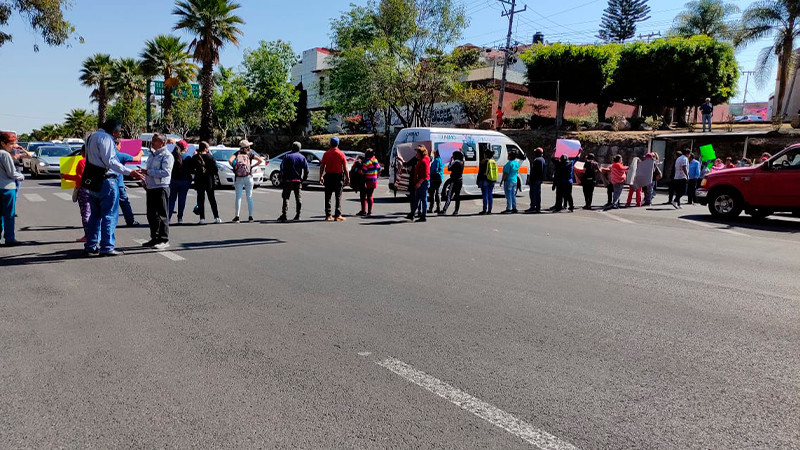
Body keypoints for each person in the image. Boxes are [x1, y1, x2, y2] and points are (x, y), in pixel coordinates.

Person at [82, 120, 142, 257]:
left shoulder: (92, 136)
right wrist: (129, 172)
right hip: (106, 180)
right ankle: (107, 247)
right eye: (119, 131)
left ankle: (90, 245)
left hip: (93, 180)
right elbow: (110, 161)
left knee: (95, 215)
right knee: (109, 215)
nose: (119, 134)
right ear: (113, 130)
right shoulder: (106, 138)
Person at [140, 134, 174, 249]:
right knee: (151, 214)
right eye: (153, 140)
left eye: (155, 141)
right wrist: (144, 179)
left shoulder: (167, 156)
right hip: (151, 187)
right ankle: (154, 237)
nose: (153, 143)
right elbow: (148, 170)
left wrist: (148, 172)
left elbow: (165, 172)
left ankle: (163, 239)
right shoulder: (152, 155)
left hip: (161, 187)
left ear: (163, 143)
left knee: (162, 214)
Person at [60, 145, 90, 241]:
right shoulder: (98, 161)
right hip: (96, 189)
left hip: (83, 189)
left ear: (82, 152)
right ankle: (95, 234)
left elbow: (80, 177)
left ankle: (88, 235)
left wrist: (66, 176)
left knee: (85, 213)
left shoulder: (82, 162)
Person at [229, 139, 263, 223]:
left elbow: (230, 160)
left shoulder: (237, 154)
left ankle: (237, 217)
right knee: (249, 197)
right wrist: (252, 166)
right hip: (248, 177)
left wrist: (235, 167)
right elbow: (260, 160)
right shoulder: (250, 154)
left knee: (238, 197)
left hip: (239, 177)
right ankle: (250, 217)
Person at [0, 131, 25, 246]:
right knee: (9, 214)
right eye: (10, 144)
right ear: (3, 143)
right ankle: (9, 238)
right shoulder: (4, 154)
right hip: (7, 187)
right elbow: (12, 173)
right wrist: (21, 176)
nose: (12, 146)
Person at [319, 136, 349, 221]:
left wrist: (321, 176)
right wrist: (347, 177)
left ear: (330, 144)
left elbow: (322, 166)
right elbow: (345, 167)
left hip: (328, 176)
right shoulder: (341, 154)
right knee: (338, 196)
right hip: (338, 176)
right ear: (338, 144)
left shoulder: (326, 153)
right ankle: (337, 215)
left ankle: (328, 215)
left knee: (327, 196)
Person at [277, 141, 309, 222]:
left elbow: (282, 168)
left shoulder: (287, 156)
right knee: (298, 198)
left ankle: (284, 214)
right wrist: (303, 179)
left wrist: (281, 177)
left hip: (288, 180)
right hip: (297, 181)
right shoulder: (302, 157)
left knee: (286, 198)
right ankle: (298, 214)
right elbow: (306, 169)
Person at [191, 141, 221, 225]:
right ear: (206, 149)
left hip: (199, 180)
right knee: (212, 199)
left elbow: (191, 169)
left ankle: (202, 218)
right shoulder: (210, 157)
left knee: (200, 199)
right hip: (209, 180)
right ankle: (216, 217)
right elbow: (215, 169)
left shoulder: (195, 157)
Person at [114, 141, 141, 227]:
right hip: (119, 183)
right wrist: (140, 153)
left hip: (107, 183)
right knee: (124, 203)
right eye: (120, 145)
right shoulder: (121, 155)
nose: (120, 147)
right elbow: (136, 159)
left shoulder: (105, 155)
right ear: (116, 145)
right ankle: (130, 221)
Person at [168, 140, 192, 224]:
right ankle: (180, 218)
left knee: (171, 200)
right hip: (185, 180)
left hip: (174, 180)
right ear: (184, 147)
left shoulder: (171, 155)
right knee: (182, 200)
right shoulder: (188, 157)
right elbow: (191, 169)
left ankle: (168, 218)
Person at [411, 146, 431, 222]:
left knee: (423, 199)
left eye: (417, 153)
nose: (416, 154)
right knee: (417, 198)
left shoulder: (424, 161)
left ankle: (423, 215)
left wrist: (419, 182)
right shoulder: (424, 160)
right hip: (421, 181)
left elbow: (425, 174)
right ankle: (413, 213)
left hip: (422, 182)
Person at [359, 148, 381, 217]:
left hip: (367, 180)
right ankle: (370, 211)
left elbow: (363, 171)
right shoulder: (375, 161)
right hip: (374, 180)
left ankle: (363, 211)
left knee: (364, 195)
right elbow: (379, 169)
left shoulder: (367, 162)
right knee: (370, 195)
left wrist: (357, 170)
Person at [441, 150, 464, 215]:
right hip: (460, 180)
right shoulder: (462, 162)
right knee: (457, 196)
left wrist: (451, 161)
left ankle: (444, 209)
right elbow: (463, 156)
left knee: (449, 195)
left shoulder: (456, 162)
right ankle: (456, 211)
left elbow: (449, 168)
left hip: (453, 180)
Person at [525, 147, 545, 213]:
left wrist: (530, 179)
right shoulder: (543, 160)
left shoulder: (537, 160)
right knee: (538, 193)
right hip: (539, 179)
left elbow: (533, 171)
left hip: (535, 179)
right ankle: (538, 207)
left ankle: (533, 206)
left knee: (533, 193)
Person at [477, 148, 497, 214]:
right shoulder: (493, 161)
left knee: (485, 195)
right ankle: (490, 210)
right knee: (490, 194)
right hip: (492, 179)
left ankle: (484, 209)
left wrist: (478, 180)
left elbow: (480, 172)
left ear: (486, 154)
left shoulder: (483, 161)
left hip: (485, 179)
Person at [428, 149, 443, 214]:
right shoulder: (441, 160)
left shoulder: (436, 160)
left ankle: (431, 208)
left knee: (432, 193)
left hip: (434, 178)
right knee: (438, 192)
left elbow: (434, 170)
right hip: (439, 178)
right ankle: (438, 207)